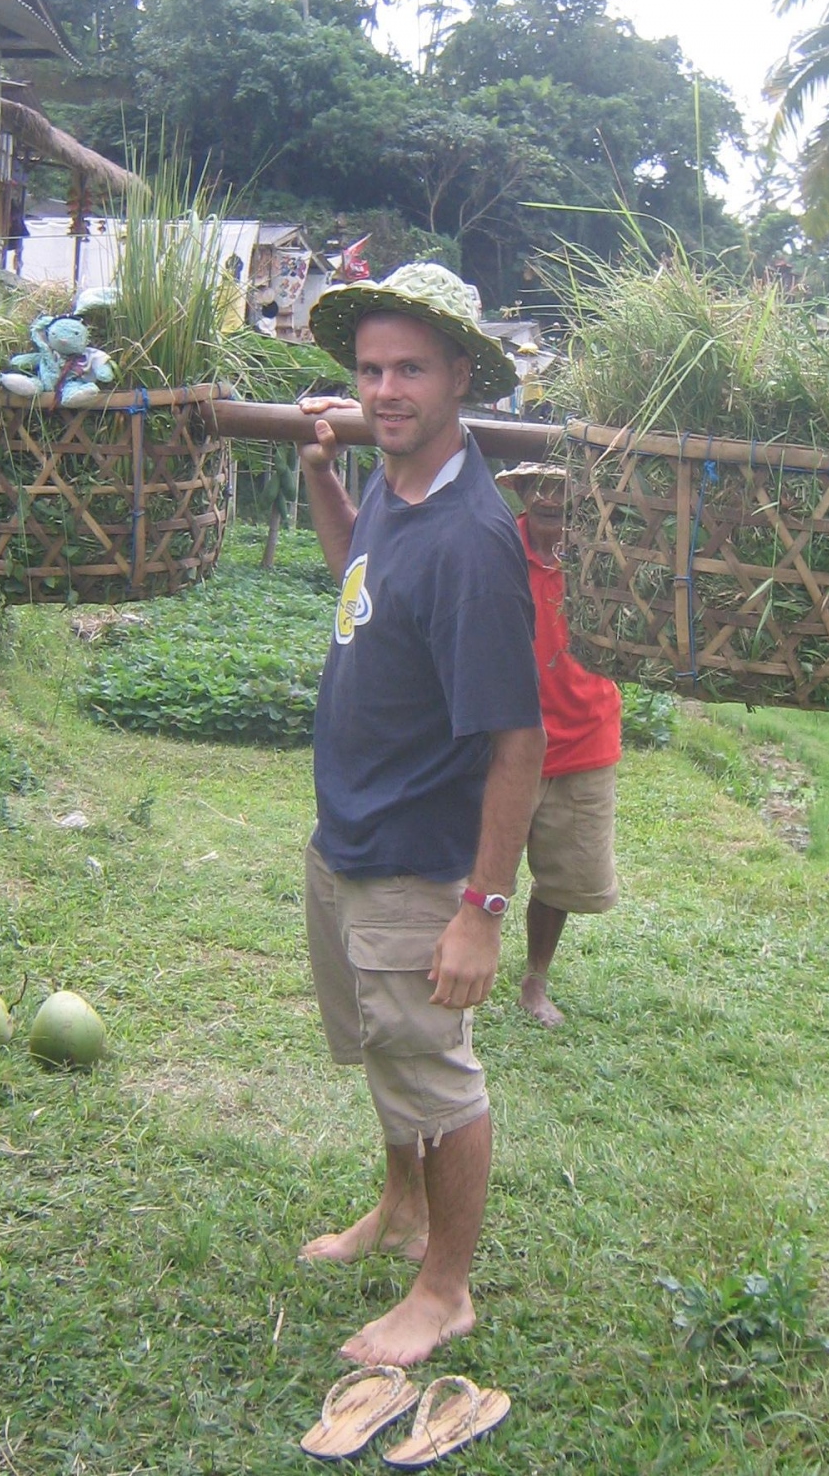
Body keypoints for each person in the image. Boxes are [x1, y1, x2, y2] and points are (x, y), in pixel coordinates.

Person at [295, 263, 546, 1368]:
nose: (383, 390)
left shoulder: (469, 541)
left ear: (457, 378)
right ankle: (397, 1208)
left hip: (413, 858)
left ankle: (443, 1291)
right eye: (368, 370)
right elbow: (359, 582)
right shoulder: (400, 495)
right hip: (345, 832)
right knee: (386, 1049)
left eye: (408, 370)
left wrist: (481, 912)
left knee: (433, 1071)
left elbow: (518, 746)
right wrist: (320, 480)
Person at [495, 464, 622, 1028]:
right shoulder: (495, 550)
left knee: (566, 876)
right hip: (502, 736)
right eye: (539, 485)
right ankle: (450, 961)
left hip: (585, 736)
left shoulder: (609, 556)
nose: (551, 496)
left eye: (565, 487)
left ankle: (534, 980)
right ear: (521, 494)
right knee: (472, 863)